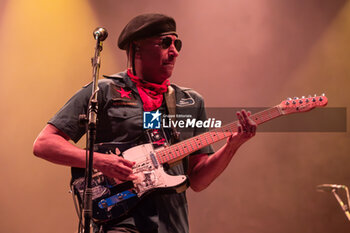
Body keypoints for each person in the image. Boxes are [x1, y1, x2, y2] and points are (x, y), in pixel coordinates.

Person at [33, 13, 257, 233]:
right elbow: (44, 144)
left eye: (177, 43)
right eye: (165, 43)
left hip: (173, 224)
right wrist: (101, 161)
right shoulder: (103, 91)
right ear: (136, 49)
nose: (175, 52)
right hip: (120, 221)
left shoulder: (190, 101)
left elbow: (198, 180)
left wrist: (232, 146)